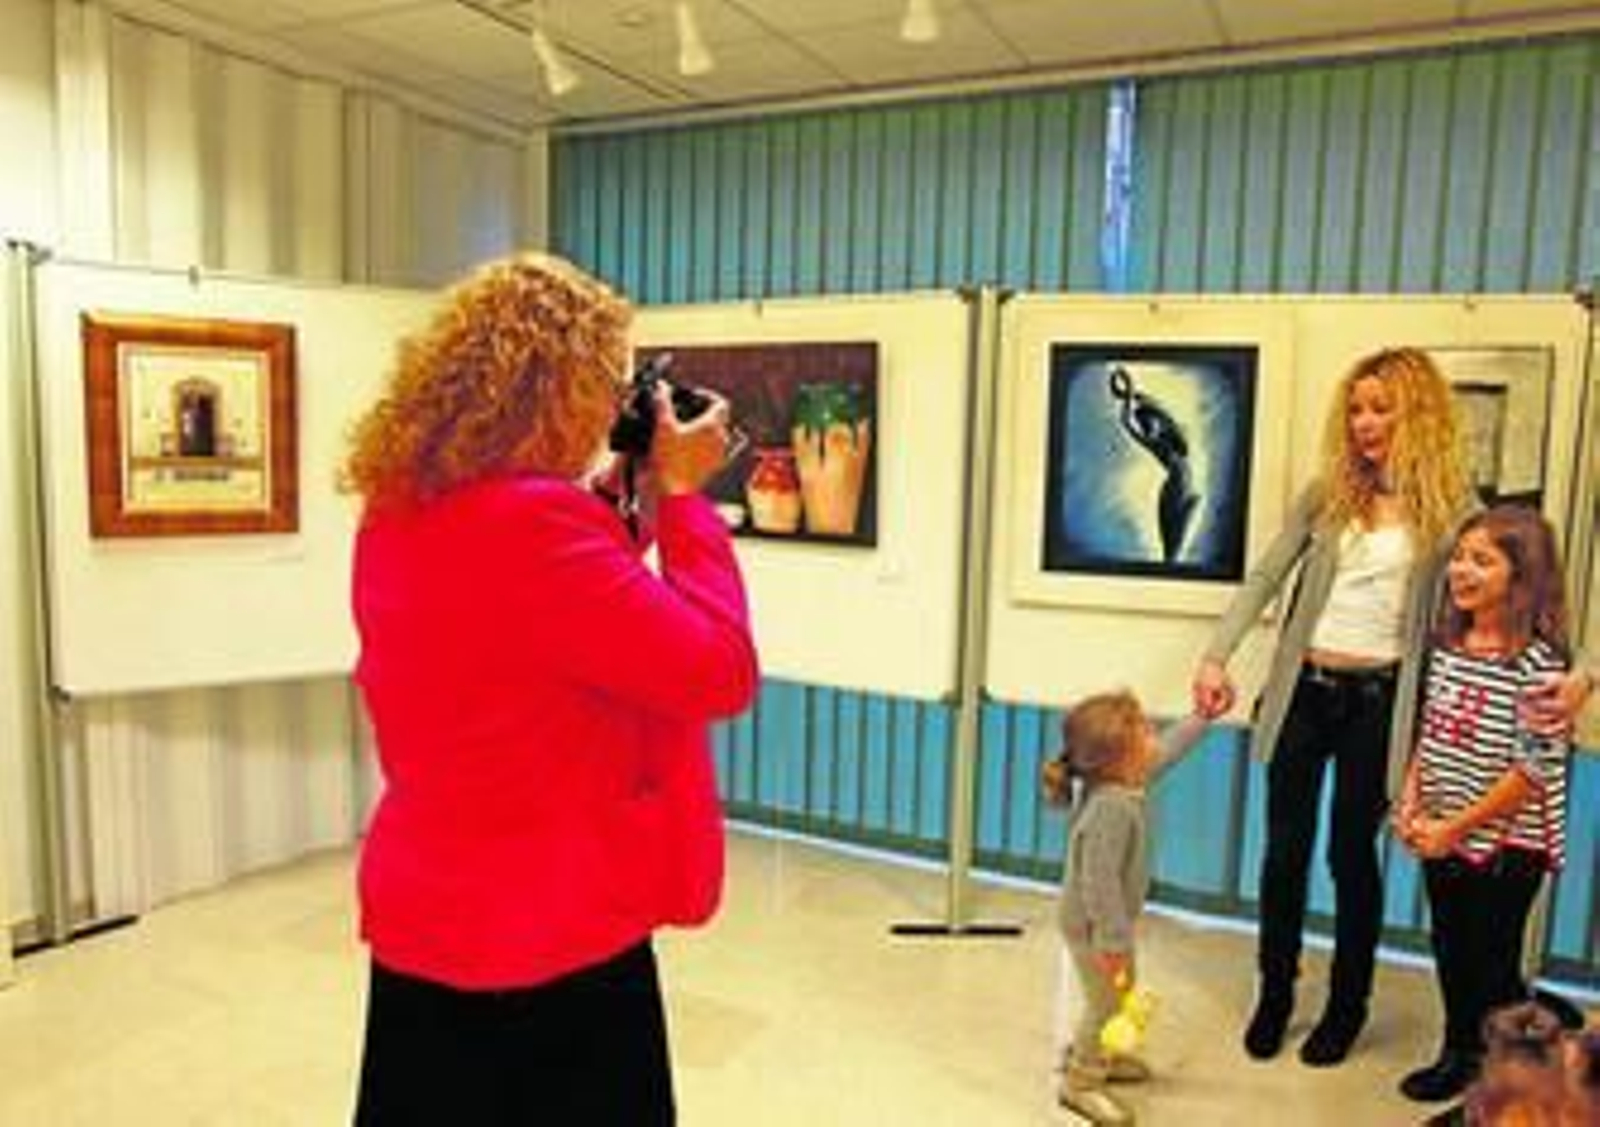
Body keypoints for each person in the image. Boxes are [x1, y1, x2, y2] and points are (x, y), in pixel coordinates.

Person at [340, 252, 759, 1124]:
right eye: (603, 385)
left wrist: (624, 497)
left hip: (428, 915)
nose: (611, 409)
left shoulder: (397, 511)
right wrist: (680, 500)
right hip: (549, 926)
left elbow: (529, 631)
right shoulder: (535, 526)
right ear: (554, 390)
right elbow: (718, 670)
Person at [1192, 347, 1481, 1067]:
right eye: (1356, 408)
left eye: (1382, 408)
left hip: (1380, 704)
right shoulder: (1328, 494)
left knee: (1351, 855)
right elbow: (1266, 574)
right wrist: (1215, 653)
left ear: (1419, 414)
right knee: (1283, 851)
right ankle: (1276, 992)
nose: (1365, 423)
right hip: (1304, 693)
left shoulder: (1456, 511)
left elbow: (1478, 613)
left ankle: (1347, 1005)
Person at [1394, 506, 1574, 1107]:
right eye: (1459, 556)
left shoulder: (1540, 665)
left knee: (1492, 964)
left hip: (1504, 846)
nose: (1460, 570)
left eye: (1482, 560)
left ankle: (1507, 1086)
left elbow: (1531, 771)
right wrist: (1413, 801)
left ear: (1521, 577)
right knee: (1450, 947)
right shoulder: (1449, 643)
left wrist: (1456, 828)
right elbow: (1432, 729)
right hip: (1445, 832)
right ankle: (1460, 1053)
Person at [1042, 689, 1207, 1125]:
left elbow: (1168, 752)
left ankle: (1102, 1055)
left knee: (1118, 993)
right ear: (1118, 758)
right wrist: (1113, 941)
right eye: (1144, 733)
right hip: (1094, 927)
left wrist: (1201, 718)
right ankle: (1081, 1082)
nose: (1154, 738)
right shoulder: (1109, 808)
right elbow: (1099, 885)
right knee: (1107, 1003)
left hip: (1106, 925)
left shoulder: (1125, 778)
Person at [1109, 365, 1198, 564]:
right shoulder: (1153, 443)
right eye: (1144, 426)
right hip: (1173, 490)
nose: (1147, 428)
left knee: (1174, 548)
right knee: (1171, 550)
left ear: (1158, 420)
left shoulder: (1173, 434)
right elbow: (1128, 423)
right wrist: (1127, 397)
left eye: (1149, 423)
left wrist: (1129, 391)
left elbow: (1154, 406)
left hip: (1183, 490)